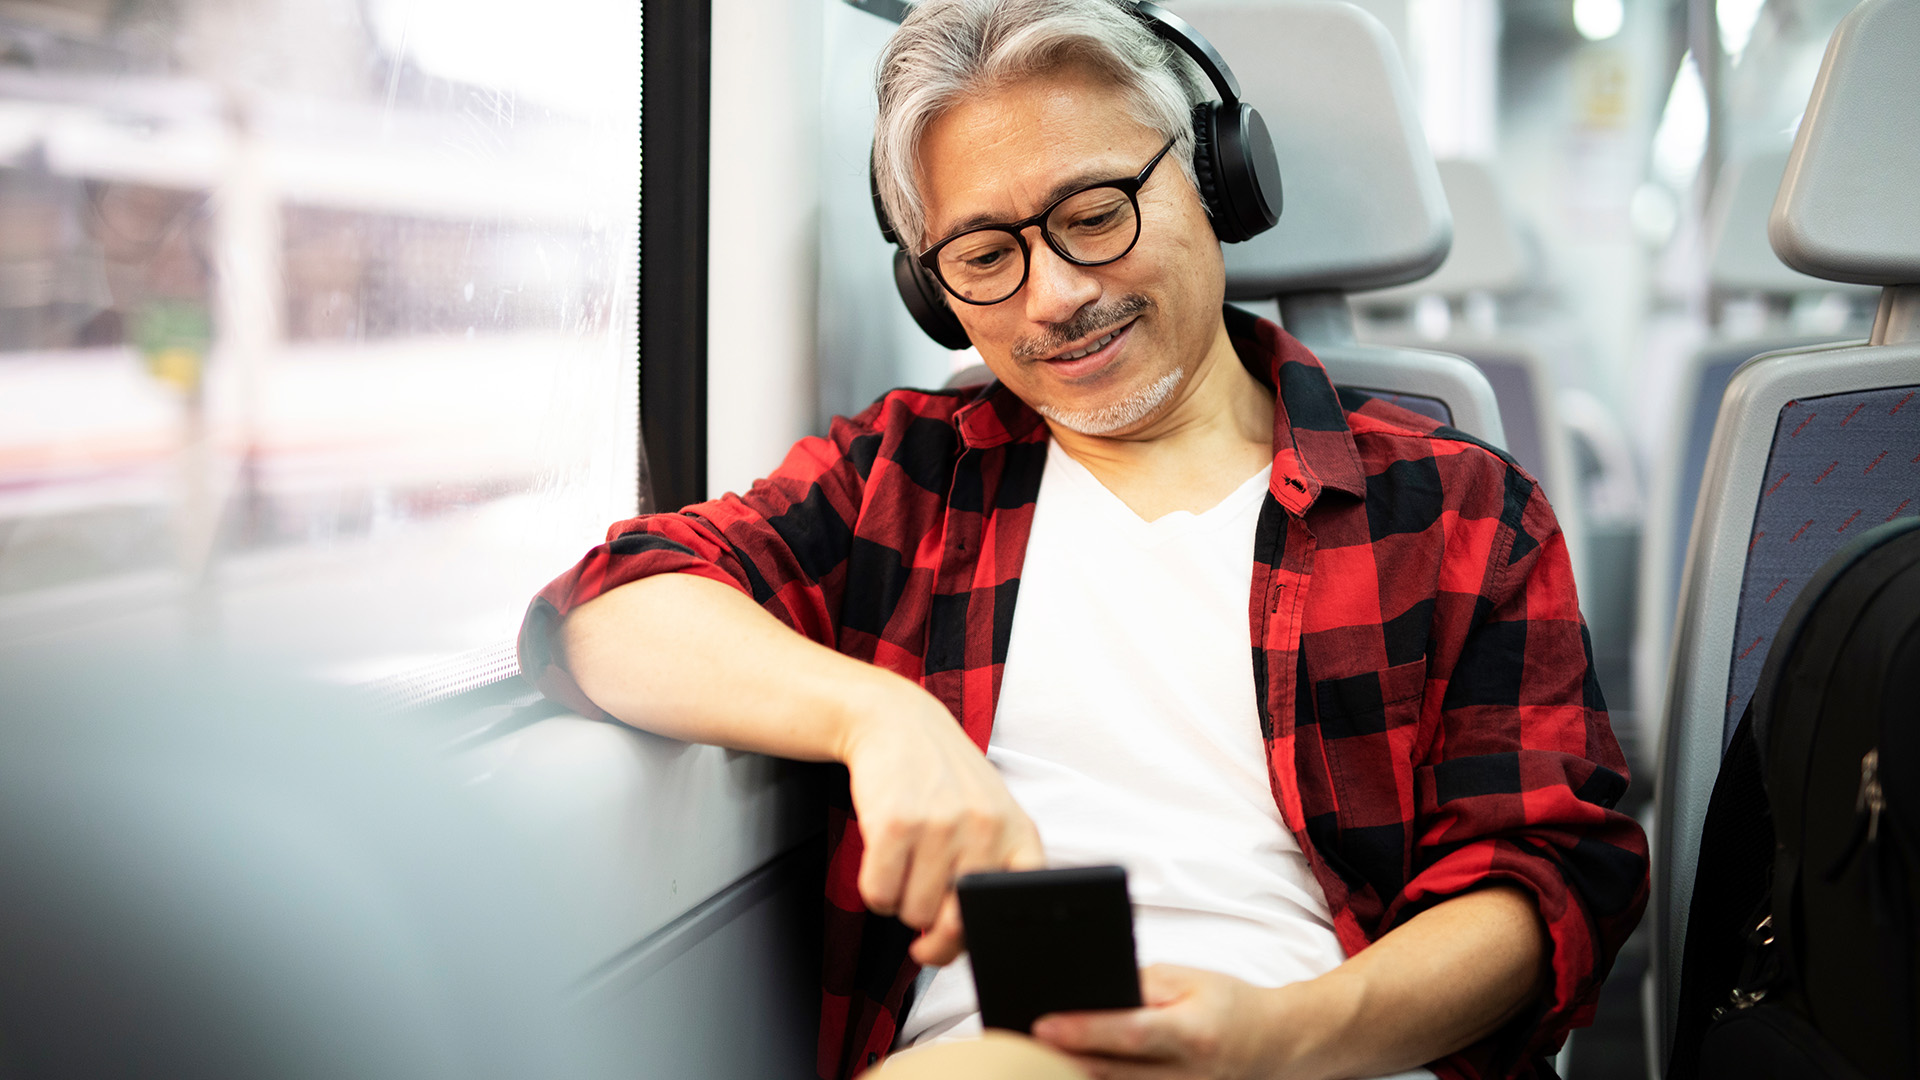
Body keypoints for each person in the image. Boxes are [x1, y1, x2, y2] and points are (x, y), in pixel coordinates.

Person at [518, 1, 1648, 1077]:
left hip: (1334, 1051)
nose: (1052, 296)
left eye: (1095, 215)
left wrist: (1282, 1037)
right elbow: (607, 606)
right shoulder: (906, 481)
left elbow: (1552, 874)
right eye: (983, 257)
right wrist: (877, 718)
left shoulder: (1454, 507)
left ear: (1215, 181)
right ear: (931, 290)